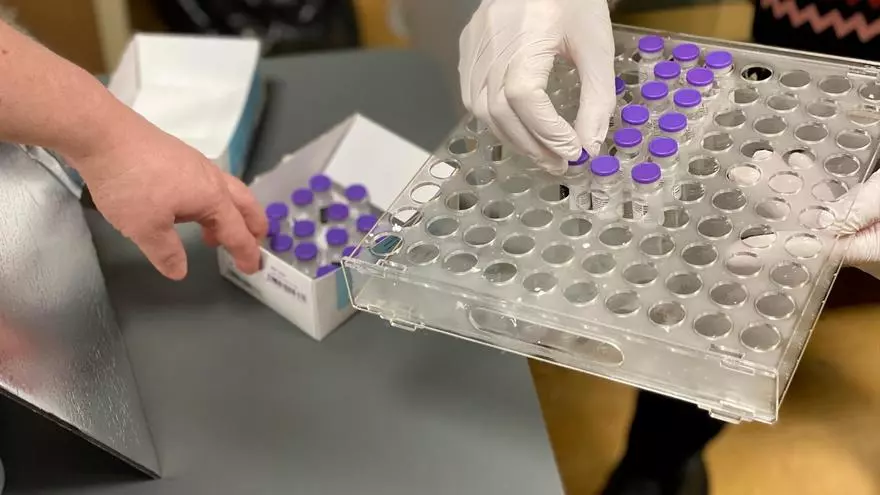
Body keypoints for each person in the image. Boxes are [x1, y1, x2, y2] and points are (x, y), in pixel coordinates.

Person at [459, 1, 880, 494]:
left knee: (744, 299)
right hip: (789, 69)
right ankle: (654, 464)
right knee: (712, 295)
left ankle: (659, 461)